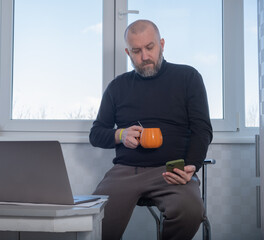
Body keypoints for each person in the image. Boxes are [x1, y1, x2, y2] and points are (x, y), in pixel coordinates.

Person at [89, 19, 213, 240]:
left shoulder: (188, 77)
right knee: (94, 219)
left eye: (150, 47)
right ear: (128, 52)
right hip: (126, 171)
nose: (144, 56)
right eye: (136, 51)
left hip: (172, 170)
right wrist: (120, 134)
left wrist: (191, 167)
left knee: (191, 211)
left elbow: (202, 129)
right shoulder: (117, 87)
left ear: (162, 44)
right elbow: (96, 133)